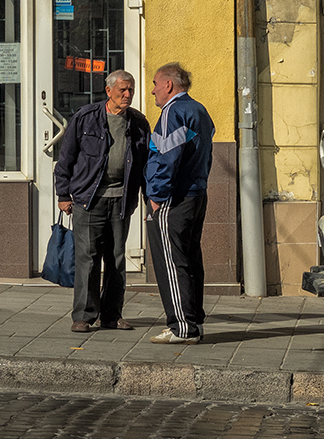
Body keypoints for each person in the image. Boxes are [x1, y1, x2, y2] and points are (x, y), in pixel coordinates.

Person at [53, 70, 150, 333]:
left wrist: (149, 199)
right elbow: (66, 158)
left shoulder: (138, 123)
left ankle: (111, 315)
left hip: (121, 202)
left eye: (130, 90)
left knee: (117, 259)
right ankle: (83, 316)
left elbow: (145, 167)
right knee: (88, 259)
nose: (127, 95)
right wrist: (63, 194)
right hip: (89, 200)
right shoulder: (86, 118)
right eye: (122, 90)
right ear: (109, 91)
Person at [145, 62, 215, 344]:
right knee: (189, 259)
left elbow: (166, 157)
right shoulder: (199, 109)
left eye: (154, 84)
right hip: (197, 193)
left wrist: (156, 196)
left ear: (168, 85)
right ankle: (193, 320)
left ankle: (182, 327)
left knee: (171, 262)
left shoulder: (173, 111)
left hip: (175, 197)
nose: (152, 91)